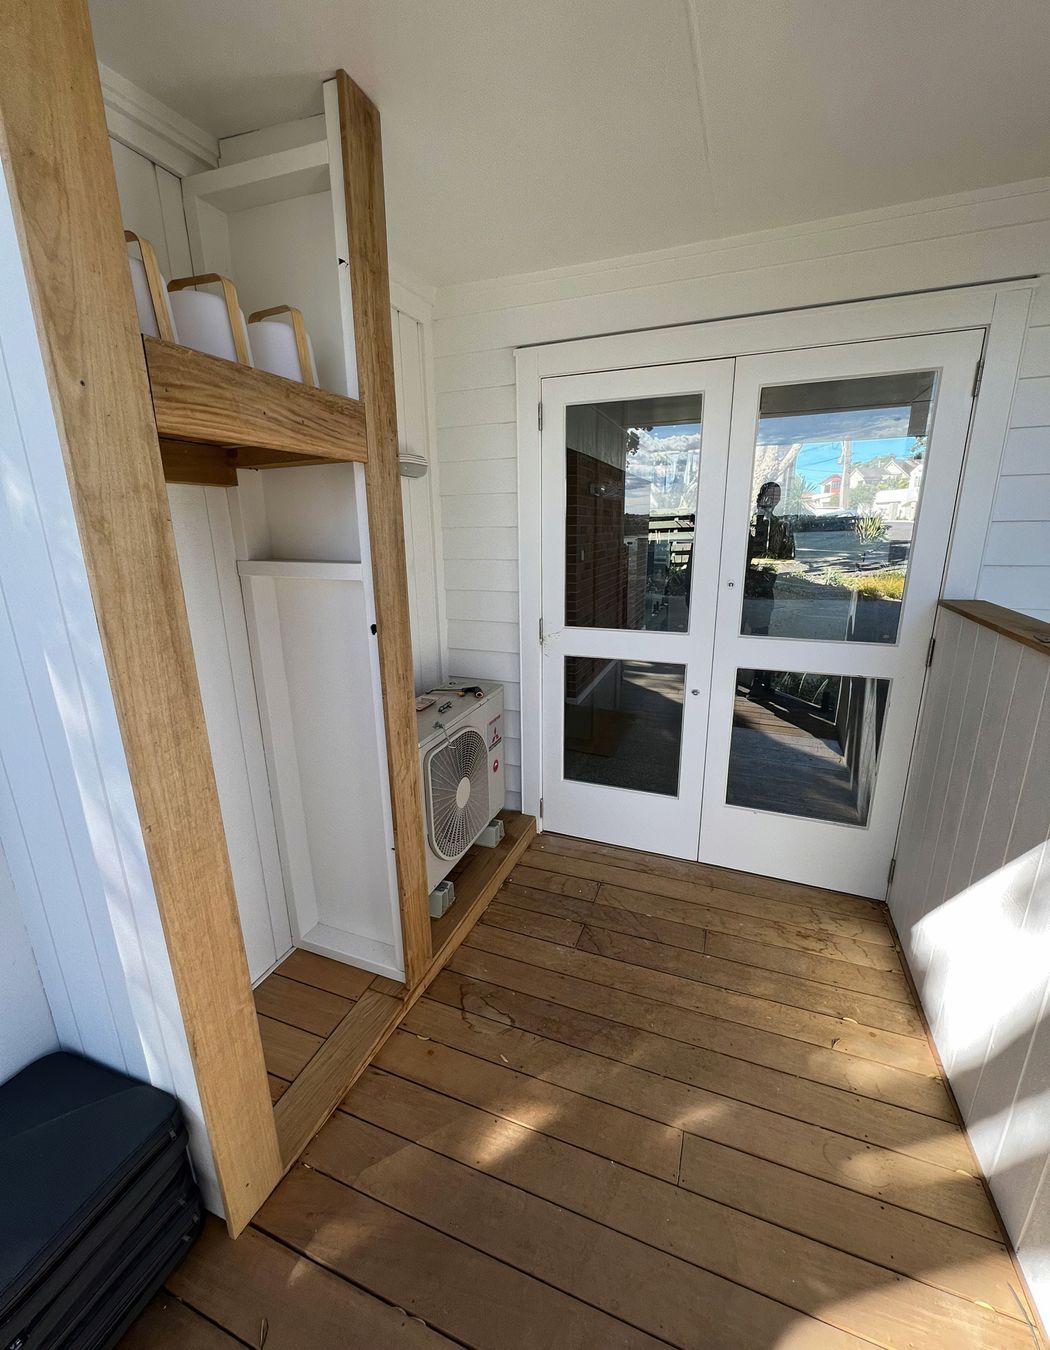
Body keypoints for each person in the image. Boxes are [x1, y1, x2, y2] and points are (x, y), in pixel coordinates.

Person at [743, 480, 795, 698]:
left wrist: (770, 569)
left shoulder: (781, 526)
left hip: (763, 589)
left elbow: (788, 556)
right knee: (732, 633)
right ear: (760, 496)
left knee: (759, 635)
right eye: (770, 495)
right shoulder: (747, 521)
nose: (773, 499)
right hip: (740, 587)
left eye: (777, 495)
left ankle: (759, 681)